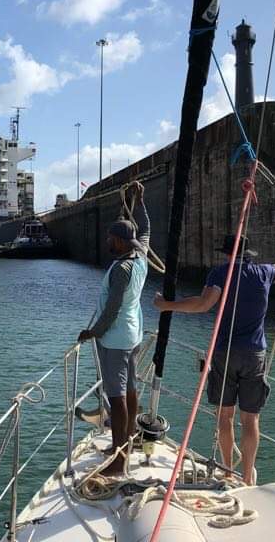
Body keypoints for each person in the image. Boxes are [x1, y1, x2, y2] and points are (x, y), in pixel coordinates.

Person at [154, 230, 275, 485]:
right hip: (255, 353)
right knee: (250, 418)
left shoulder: (221, 274)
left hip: (225, 352)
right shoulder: (264, 272)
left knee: (224, 416)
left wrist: (168, 306)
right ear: (248, 255)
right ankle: (246, 477)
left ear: (228, 254)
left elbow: (203, 304)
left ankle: (227, 471)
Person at [77, 180, 150, 477]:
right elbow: (145, 228)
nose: (107, 240)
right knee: (130, 391)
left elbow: (112, 308)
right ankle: (126, 442)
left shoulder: (121, 269)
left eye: (110, 237)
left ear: (119, 241)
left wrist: (93, 332)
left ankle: (120, 461)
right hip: (133, 335)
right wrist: (140, 200)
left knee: (117, 398)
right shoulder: (141, 255)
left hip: (116, 339)